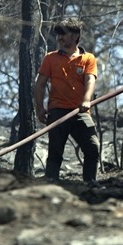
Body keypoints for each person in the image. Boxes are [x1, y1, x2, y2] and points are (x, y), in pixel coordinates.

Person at [32, 17, 100, 184]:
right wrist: (39, 108)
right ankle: (50, 186)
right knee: (55, 152)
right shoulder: (50, 58)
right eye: (58, 34)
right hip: (57, 111)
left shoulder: (88, 58)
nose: (60, 37)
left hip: (80, 111)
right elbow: (39, 84)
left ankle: (90, 185)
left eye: (63, 34)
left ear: (75, 36)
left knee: (93, 147)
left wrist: (86, 100)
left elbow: (90, 80)